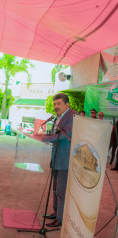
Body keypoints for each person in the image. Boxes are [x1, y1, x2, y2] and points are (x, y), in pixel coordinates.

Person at [38, 93, 77, 228]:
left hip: (65, 160)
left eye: (59, 103)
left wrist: (43, 138)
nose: (56, 106)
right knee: (55, 189)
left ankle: (60, 219)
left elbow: (66, 136)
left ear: (67, 104)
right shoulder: (59, 118)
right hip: (56, 159)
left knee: (61, 191)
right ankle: (56, 213)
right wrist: (45, 136)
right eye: (55, 104)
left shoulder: (72, 116)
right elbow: (56, 135)